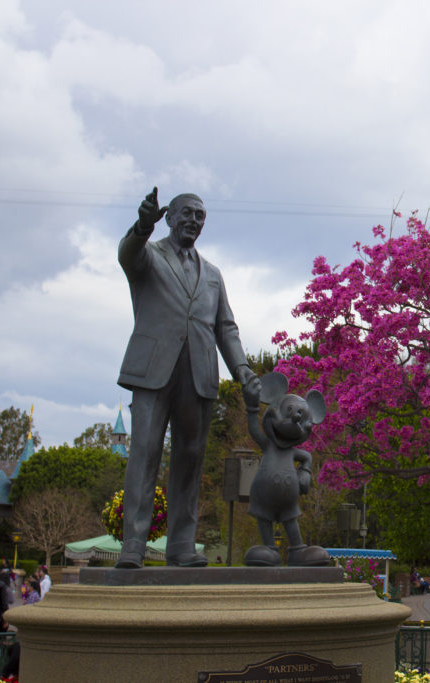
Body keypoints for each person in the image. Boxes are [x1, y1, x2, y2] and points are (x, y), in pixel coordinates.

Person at [116, 188, 261, 569]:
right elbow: (127, 255)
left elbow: (226, 329)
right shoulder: (149, 255)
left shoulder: (212, 275)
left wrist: (243, 371)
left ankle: (181, 545)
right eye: (187, 213)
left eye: (201, 216)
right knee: (144, 454)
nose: (194, 221)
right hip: (152, 371)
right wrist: (142, 226)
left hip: (199, 375)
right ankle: (133, 543)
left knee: (189, 461)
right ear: (169, 217)